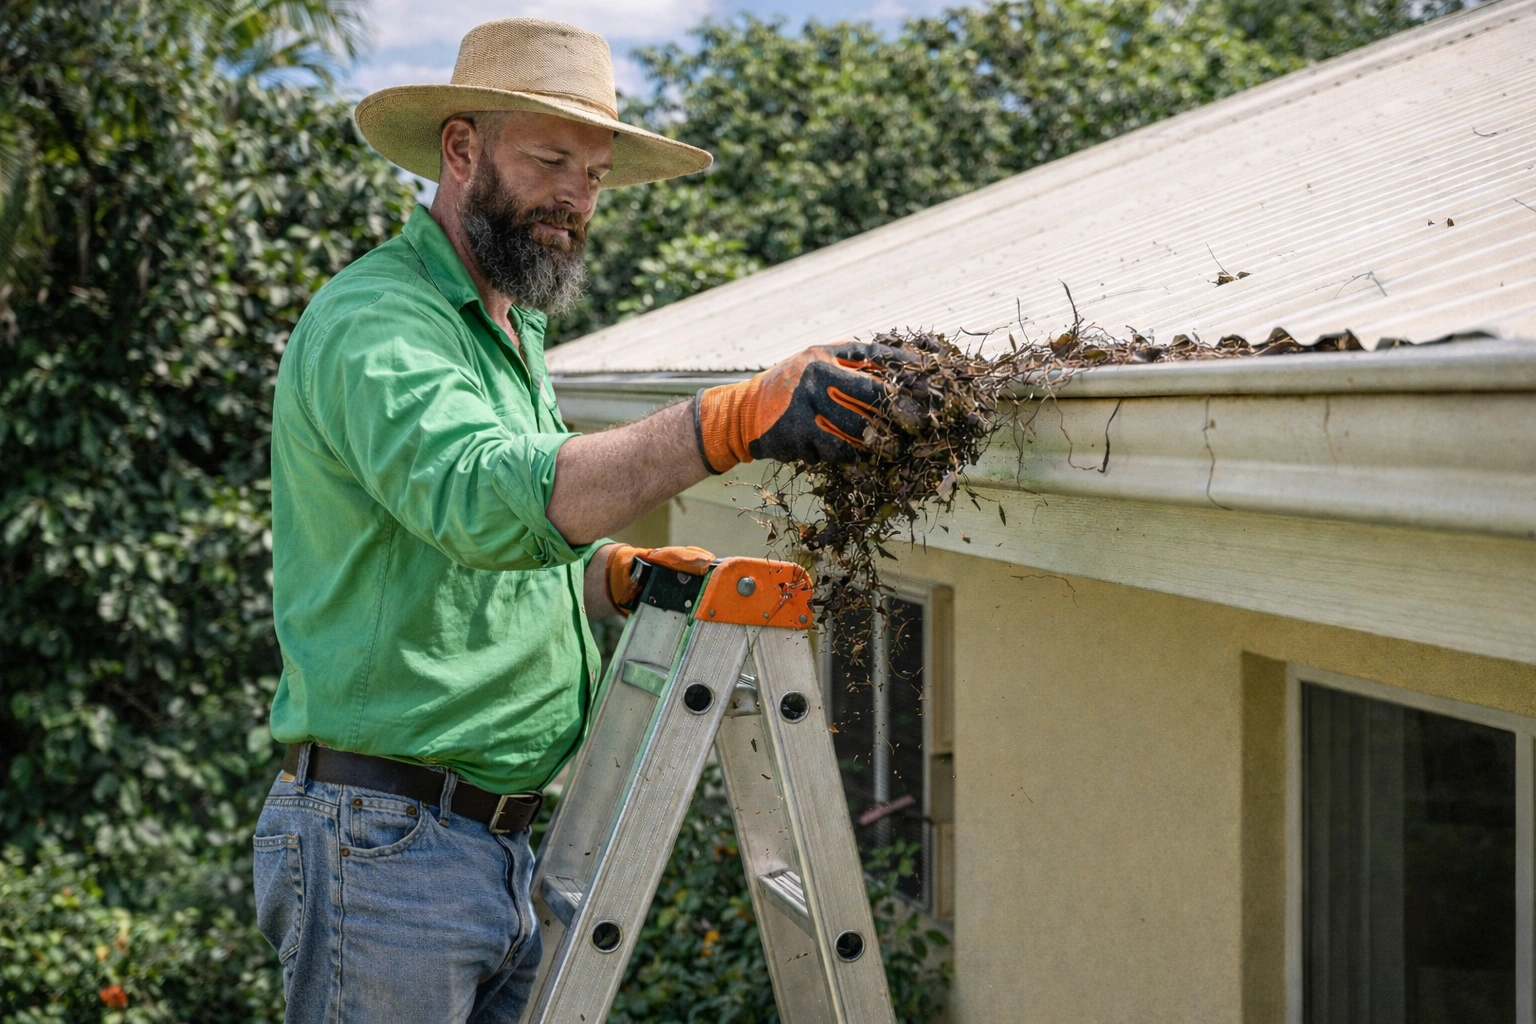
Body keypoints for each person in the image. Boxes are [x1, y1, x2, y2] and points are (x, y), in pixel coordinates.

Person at [252, 17, 908, 1024]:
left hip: (489, 845)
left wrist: (606, 574)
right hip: (385, 845)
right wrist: (728, 419)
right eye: (550, 159)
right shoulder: (377, 325)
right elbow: (482, 497)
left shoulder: (505, 334)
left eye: (595, 175)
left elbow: (482, 549)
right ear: (462, 150)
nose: (575, 197)